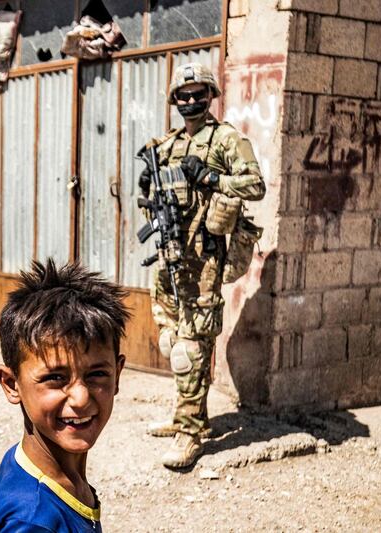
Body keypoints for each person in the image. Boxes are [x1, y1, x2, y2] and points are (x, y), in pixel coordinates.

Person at [140, 63, 266, 469]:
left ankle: (190, 433)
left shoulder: (226, 139)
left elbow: (256, 185)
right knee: (171, 339)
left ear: (210, 95)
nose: (191, 101)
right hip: (170, 256)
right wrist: (147, 184)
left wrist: (212, 179)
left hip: (205, 259)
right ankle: (187, 415)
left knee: (192, 348)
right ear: (175, 100)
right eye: (184, 94)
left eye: (199, 94)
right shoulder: (168, 144)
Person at [0, 259, 130, 533]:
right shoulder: (33, 523)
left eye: (97, 374)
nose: (81, 398)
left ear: (118, 374)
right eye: (55, 378)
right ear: (11, 384)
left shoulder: (28, 464)